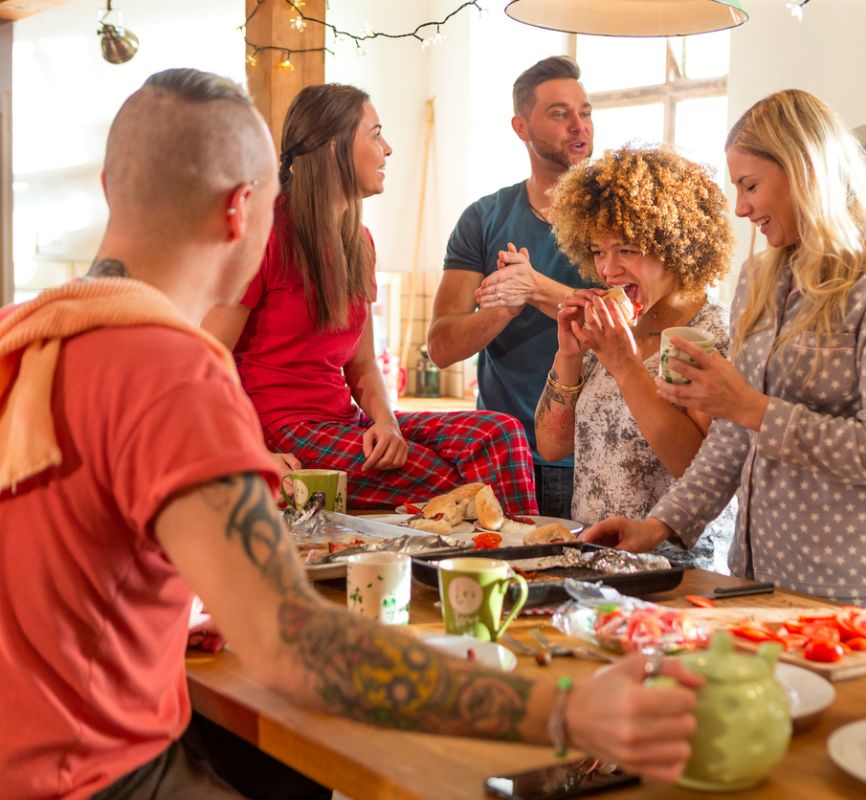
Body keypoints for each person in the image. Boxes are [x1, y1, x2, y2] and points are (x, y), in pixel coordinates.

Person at [0, 69, 701, 800]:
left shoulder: (24, 339)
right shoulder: (175, 374)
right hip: (102, 780)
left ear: (113, 188)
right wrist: (570, 710)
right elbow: (295, 647)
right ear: (245, 211)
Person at [583, 90, 866, 615]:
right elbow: (731, 440)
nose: (741, 207)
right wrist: (660, 524)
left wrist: (752, 407)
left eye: (750, 186)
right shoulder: (759, 279)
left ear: (804, 171)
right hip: (755, 579)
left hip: (854, 588)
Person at [202, 83, 537, 515]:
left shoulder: (359, 242)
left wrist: (386, 421)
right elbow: (205, 361)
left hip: (342, 423)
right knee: (456, 484)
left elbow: (360, 365)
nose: (388, 149)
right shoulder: (262, 233)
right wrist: (248, 453)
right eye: (375, 134)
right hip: (279, 430)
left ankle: (527, 569)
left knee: (500, 436)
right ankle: (508, 568)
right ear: (334, 146)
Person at [533, 145, 735, 569]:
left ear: (675, 244)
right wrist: (567, 354)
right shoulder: (608, 329)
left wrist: (624, 365)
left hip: (680, 570)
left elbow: (697, 466)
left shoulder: (712, 336)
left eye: (627, 249)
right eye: (598, 251)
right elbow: (552, 446)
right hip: (593, 558)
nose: (608, 270)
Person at [428, 56, 595, 518]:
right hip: (502, 456)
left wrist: (533, 285)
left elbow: (627, 321)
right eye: (560, 114)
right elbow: (440, 346)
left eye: (585, 112)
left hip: (594, 456)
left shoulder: (618, 217)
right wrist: (500, 311)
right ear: (521, 128)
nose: (579, 126)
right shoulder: (482, 219)